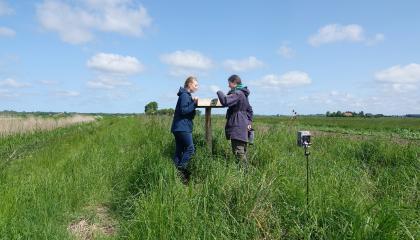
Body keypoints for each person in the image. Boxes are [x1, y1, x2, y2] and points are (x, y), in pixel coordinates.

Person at [217, 74, 253, 168]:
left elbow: (225, 101)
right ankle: (245, 174)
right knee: (243, 151)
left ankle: (246, 174)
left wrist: (219, 92)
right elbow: (249, 110)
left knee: (239, 152)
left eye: (229, 83)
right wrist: (249, 122)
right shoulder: (243, 94)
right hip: (242, 125)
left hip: (238, 125)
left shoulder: (238, 93)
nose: (228, 86)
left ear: (234, 83)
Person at [171, 76, 199, 183]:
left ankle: (176, 174)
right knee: (190, 149)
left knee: (179, 150)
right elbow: (183, 110)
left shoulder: (186, 95)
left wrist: (193, 105)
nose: (197, 87)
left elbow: (188, 113)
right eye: (196, 85)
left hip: (179, 127)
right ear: (189, 84)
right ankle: (181, 170)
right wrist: (194, 104)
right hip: (182, 127)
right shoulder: (184, 95)